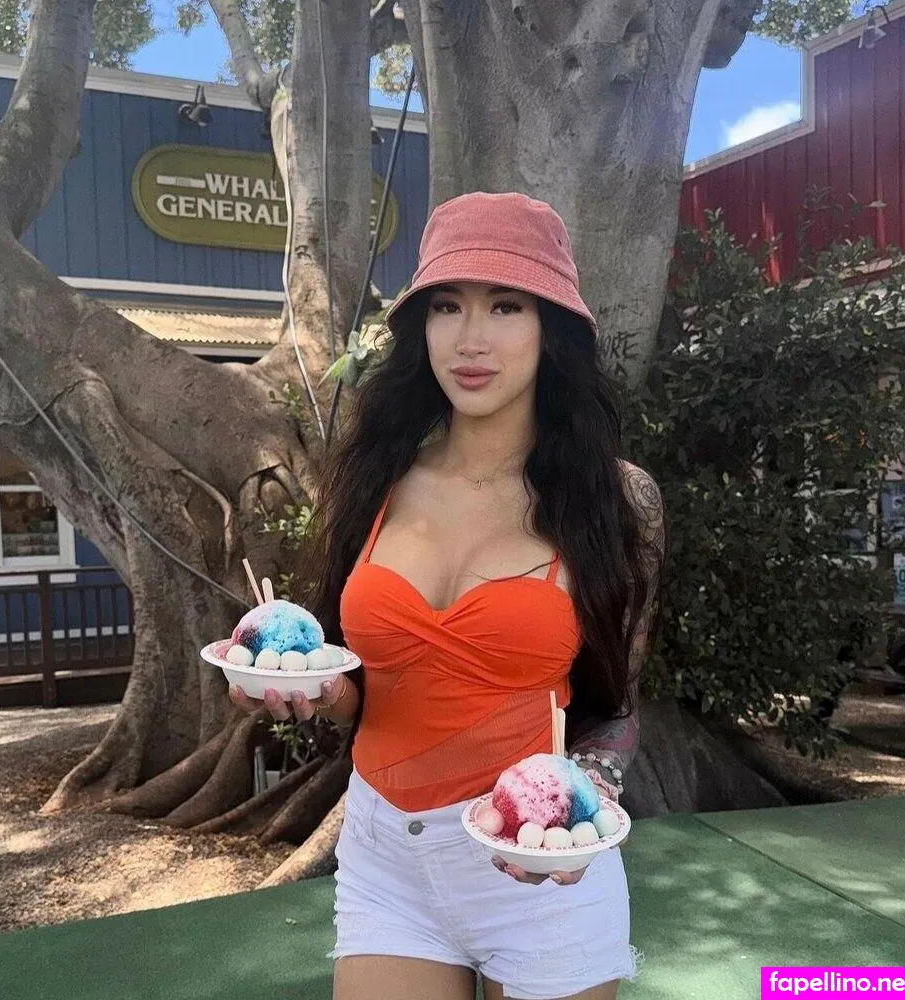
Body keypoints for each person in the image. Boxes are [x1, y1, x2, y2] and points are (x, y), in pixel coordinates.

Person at [231, 191, 665, 1000]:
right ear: (419, 327)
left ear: (550, 330)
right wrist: (313, 692)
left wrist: (579, 804)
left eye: (505, 306)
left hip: (536, 874)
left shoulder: (615, 501)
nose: (470, 339)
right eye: (445, 305)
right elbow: (362, 688)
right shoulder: (374, 478)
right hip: (384, 860)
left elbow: (614, 708)